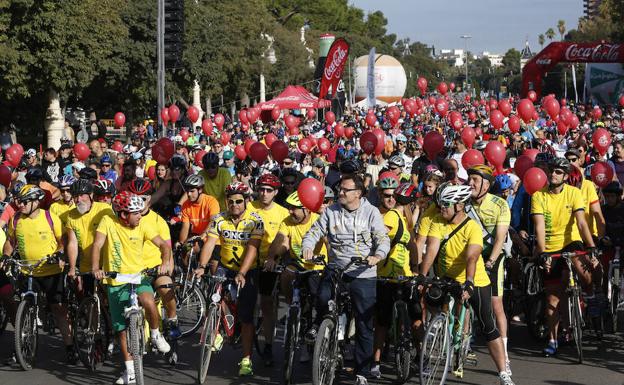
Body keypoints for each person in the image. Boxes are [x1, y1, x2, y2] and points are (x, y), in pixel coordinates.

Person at [420, 183, 514, 385]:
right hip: (447, 277)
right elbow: (431, 251)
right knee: (433, 307)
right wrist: (422, 275)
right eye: (440, 203)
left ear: (460, 206)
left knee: (488, 325)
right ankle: (429, 356)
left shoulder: (472, 227)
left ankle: (503, 372)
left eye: (446, 204)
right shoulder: (438, 221)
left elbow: (472, 257)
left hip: (475, 279)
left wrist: (470, 283)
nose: (441, 207)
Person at [302, 174, 390, 385]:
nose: (340, 192)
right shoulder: (331, 211)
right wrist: (307, 246)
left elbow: (382, 238)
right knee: (322, 297)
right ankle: (323, 326)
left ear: (358, 193)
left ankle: (362, 370)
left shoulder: (371, 212)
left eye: (345, 190)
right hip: (336, 268)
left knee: (364, 323)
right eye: (340, 188)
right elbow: (314, 232)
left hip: (363, 272)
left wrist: (377, 256)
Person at [91, 191, 173, 385]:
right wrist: (96, 268)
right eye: (135, 213)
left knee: (148, 301)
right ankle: (130, 371)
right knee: (120, 330)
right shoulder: (108, 222)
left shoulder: (143, 224)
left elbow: (164, 245)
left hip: (138, 276)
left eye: (139, 212)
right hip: (115, 281)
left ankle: (155, 334)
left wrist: (165, 261)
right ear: (123, 215)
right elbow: (97, 244)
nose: (139, 216)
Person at [530, 157, 599, 357]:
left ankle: (589, 294)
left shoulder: (574, 193)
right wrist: (542, 251)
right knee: (552, 295)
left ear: (566, 176)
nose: (553, 174)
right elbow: (539, 226)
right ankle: (552, 339)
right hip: (551, 245)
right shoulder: (538, 196)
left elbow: (581, 223)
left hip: (572, 241)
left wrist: (591, 246)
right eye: (552, 170)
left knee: (581, 265)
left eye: (559, 172)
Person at [195, 182, 263, 377]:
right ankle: (216, 331)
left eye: (239, 201)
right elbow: (210, 244)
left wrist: (242, 272)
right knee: (215, 295)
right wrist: (201, 266)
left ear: (246, 201)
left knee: (246, 315)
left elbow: (252, 247)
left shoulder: (255, 221)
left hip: (247, 270)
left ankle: (246, 359)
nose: (234, 204)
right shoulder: (219, 219)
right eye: (231, 201)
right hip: (226, 267)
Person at [3, 185, 76, 363]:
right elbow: (10, 242)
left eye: (24, 201)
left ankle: (69, 346)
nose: (20, 204)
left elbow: (62, 240)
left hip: (50, 271)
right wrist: (6, 256)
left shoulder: (50, 217)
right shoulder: (16, 219)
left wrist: (59, 253)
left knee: (58, 308)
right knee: (23, 305)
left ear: (36, 202)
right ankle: (21, 345)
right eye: (19, 201)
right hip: (28, 270)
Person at [263, 191, 328, 363]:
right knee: (286, 274)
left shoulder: (319, 219)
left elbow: (329, 242)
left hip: (318, 267)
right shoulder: (288, 221)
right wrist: (272, 257)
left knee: (317, 301)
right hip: (298, 264)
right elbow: (281, 241)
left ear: (307, 209)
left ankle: (316, 331)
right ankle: (294, 306)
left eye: (295, 209)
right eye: (289, 208)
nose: (290, 212)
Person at [371, 177, 419, 378]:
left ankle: (409, 355)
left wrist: (415, 269)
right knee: (382, 323)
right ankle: (376, 361)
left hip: (403, 276)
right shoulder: (391, 217)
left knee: (412, 318)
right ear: (410, 204)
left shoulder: (403, 220)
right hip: (386, 276)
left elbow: (412, 245)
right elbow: (379, 240)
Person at [466, 165, 512, 373]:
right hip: (471, 256)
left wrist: (491, 261)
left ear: (486, 183)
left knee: (495, 305)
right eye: (469, 179)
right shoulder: (464, 202)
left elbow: (500, 238)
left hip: (492, 257)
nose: (471, 184)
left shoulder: (499, 204)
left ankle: (504, 353)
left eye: (475, 180)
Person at [128, 178, 181, 338]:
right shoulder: (126, 218)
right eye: (134, 198)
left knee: (167, 289)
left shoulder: (158, 221)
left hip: (155, 268)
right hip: (134, 270)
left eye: (142, 198)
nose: (138, 202)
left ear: (149, 199)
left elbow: (167, 249)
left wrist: (167, 268)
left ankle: (172, 319)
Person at [248, 173, 289, 366]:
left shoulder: (283, 213)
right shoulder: (248, 207)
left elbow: (285, 241)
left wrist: (274, 257)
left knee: (266, 303)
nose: (263, 193)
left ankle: (269, 346)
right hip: (247, 262)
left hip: (269, 263)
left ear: (276, 192)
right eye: (261, 189)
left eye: (268, 190)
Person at [65, 179, 115, 296]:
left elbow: (114, 235)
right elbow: (72, 243)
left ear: (91, 195)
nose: (78, 200)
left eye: (82, 195)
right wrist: (72, 268)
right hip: (87, 264)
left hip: (107, 263)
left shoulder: (104, 209)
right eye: (75, 196)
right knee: (89, 300)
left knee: (108, 300)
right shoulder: (71, 215)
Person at [178, 174, 220, 245]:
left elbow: (213, 221)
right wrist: (181, 243)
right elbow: (185, 227)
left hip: (211, 238)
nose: (189, 194)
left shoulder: (211, 201)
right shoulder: (185, 205)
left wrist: (203, 235)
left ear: (200, 190)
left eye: (192, 191)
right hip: (196, 238)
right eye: (187, 191)